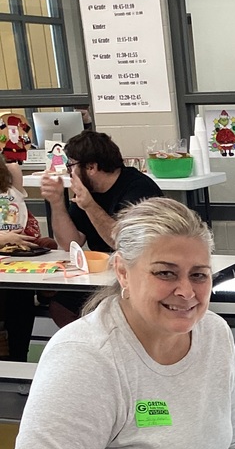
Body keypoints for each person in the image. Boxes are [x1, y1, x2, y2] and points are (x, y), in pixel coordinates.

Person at [4, 198, 235, 449]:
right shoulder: (86, 357)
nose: (186, 291)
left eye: (199, 275)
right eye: (165, 272)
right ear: (122, 271)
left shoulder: (213, 333)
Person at [39, 130, 162, 327]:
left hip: (140, 272)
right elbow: (70, 243)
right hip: (104, 272)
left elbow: (122, 242)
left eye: (71, 165)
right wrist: (56, 203)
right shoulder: (88, 191)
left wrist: (89, 205)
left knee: (113, 312)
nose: (69, 172)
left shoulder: (138, 188)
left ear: (91, 167)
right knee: (61, 306)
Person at [0, 155, 57, 361]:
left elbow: (13, 168)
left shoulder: (7, 193)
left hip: (14, 260)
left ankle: (17, 358)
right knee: (15, 295)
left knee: (19, 292)